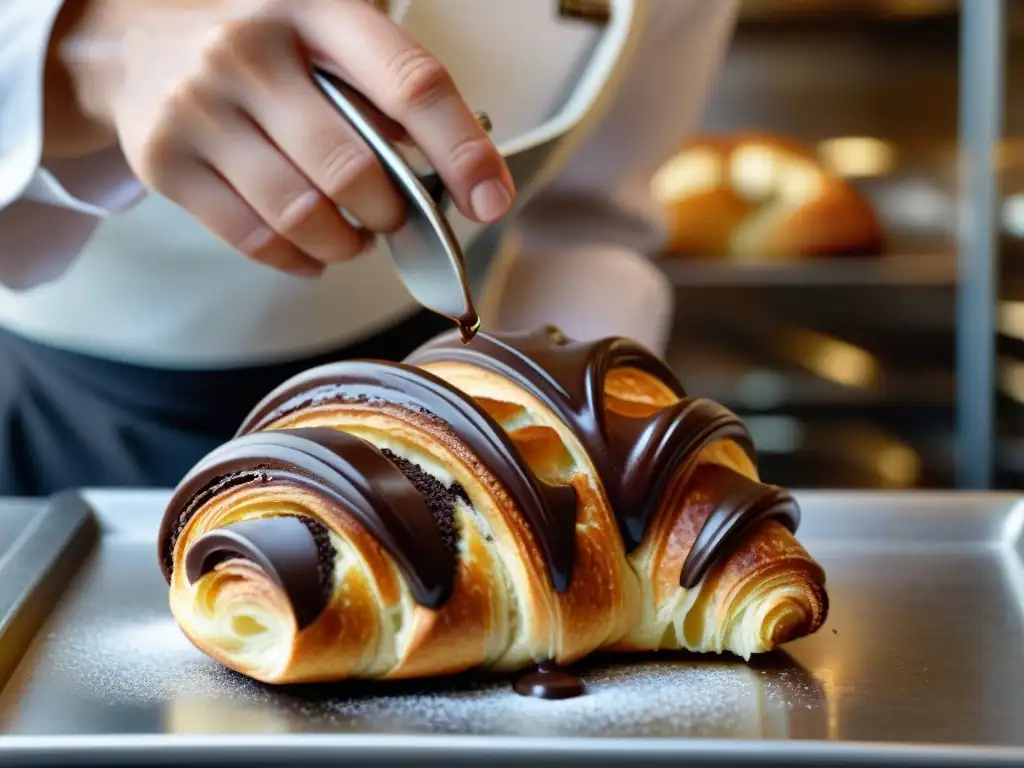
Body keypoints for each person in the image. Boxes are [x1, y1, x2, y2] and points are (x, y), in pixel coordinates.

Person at [0, 0, 739, 496]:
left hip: (428, 416)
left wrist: (575, 462)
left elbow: (585, 222)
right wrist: (85, 49)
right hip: (39, 433)